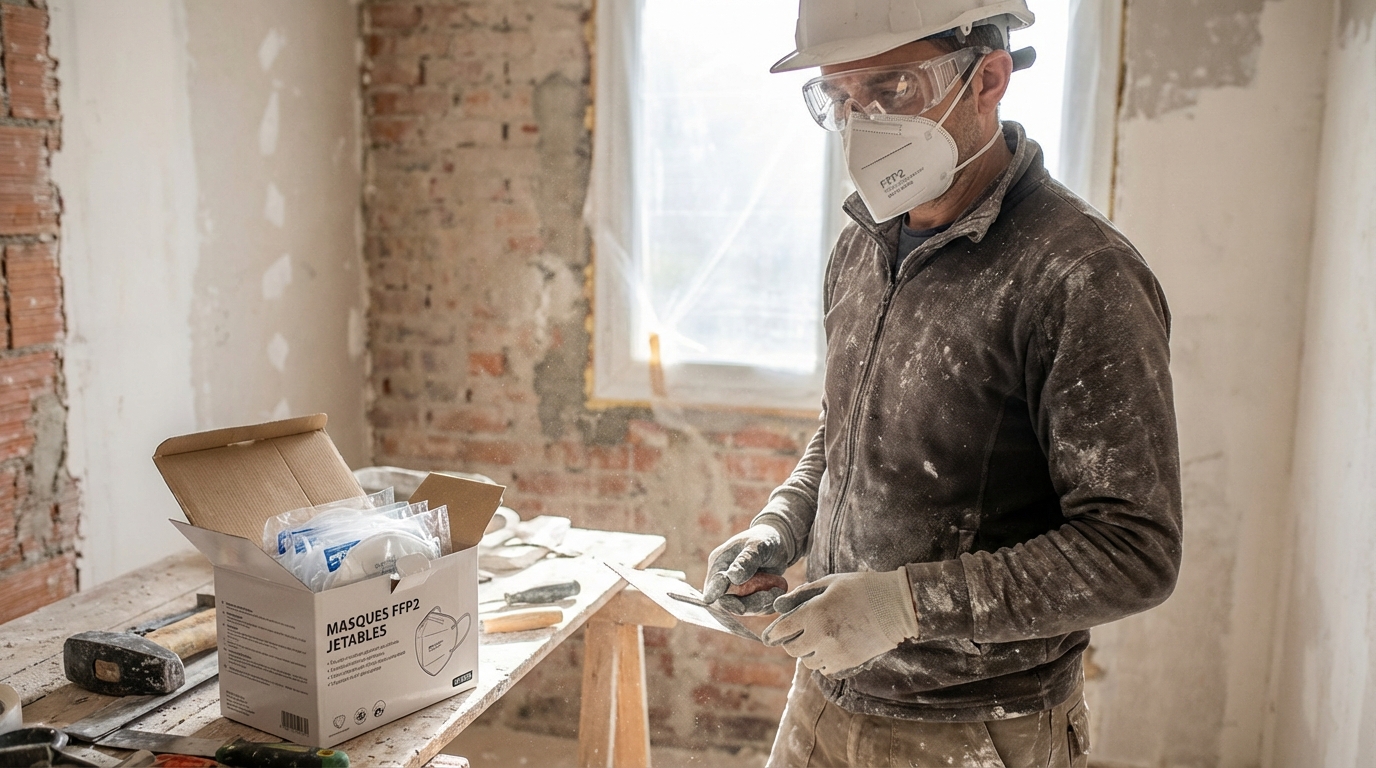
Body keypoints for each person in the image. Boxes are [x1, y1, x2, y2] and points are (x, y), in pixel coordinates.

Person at [700, 2, 1183, 766]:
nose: (863, 122)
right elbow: (846, 431)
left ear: (988, 79)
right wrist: (780, 525)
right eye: (840, 96)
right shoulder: (862, 246)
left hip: (979, 727)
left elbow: (1134, 551)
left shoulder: (1079, 274)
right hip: (823, 699)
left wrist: (906, 606)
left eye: (892, 87)